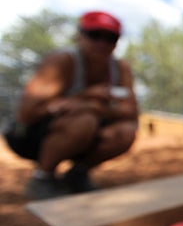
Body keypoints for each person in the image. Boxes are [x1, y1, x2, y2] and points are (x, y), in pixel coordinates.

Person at [3, 11, 138, 199]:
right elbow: (26, 115)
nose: (102, 43)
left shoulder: (120, 69)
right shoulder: (62, 61)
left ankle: (76, 176)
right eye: (95, 35)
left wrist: (96, 108)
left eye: (110, 38)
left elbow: (131, 112)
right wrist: (85, 98)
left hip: (86, 134)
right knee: (85, 121)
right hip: (29, 137)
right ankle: (43, 178)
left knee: (125, 131)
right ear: (80, 35)